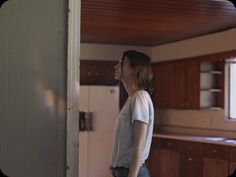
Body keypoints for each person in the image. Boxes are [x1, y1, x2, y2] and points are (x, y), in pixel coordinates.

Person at [111, 50, 154, 177]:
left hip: (132, 172)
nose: (116, 67)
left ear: (135, 69)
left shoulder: (140, 97)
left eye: (121, 63)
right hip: (123, 171)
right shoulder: (132, 98)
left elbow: (139, 145)